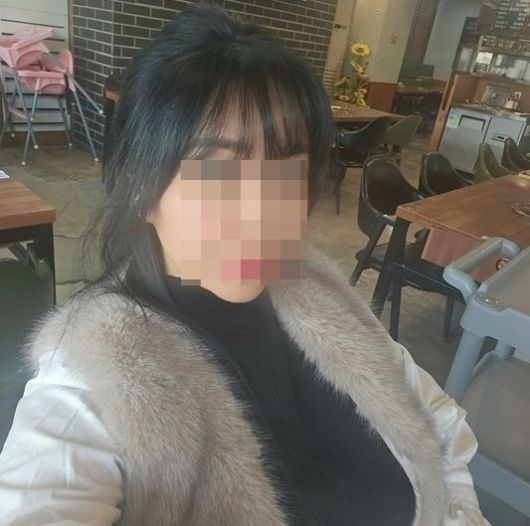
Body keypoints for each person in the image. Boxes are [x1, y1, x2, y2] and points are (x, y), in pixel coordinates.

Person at [0, 2, 488, 525]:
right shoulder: (94, 377)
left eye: (287, 168)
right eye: (219, 170)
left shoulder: (317, 289)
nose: (265, 210)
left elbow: (442, 430)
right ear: (141, 187)